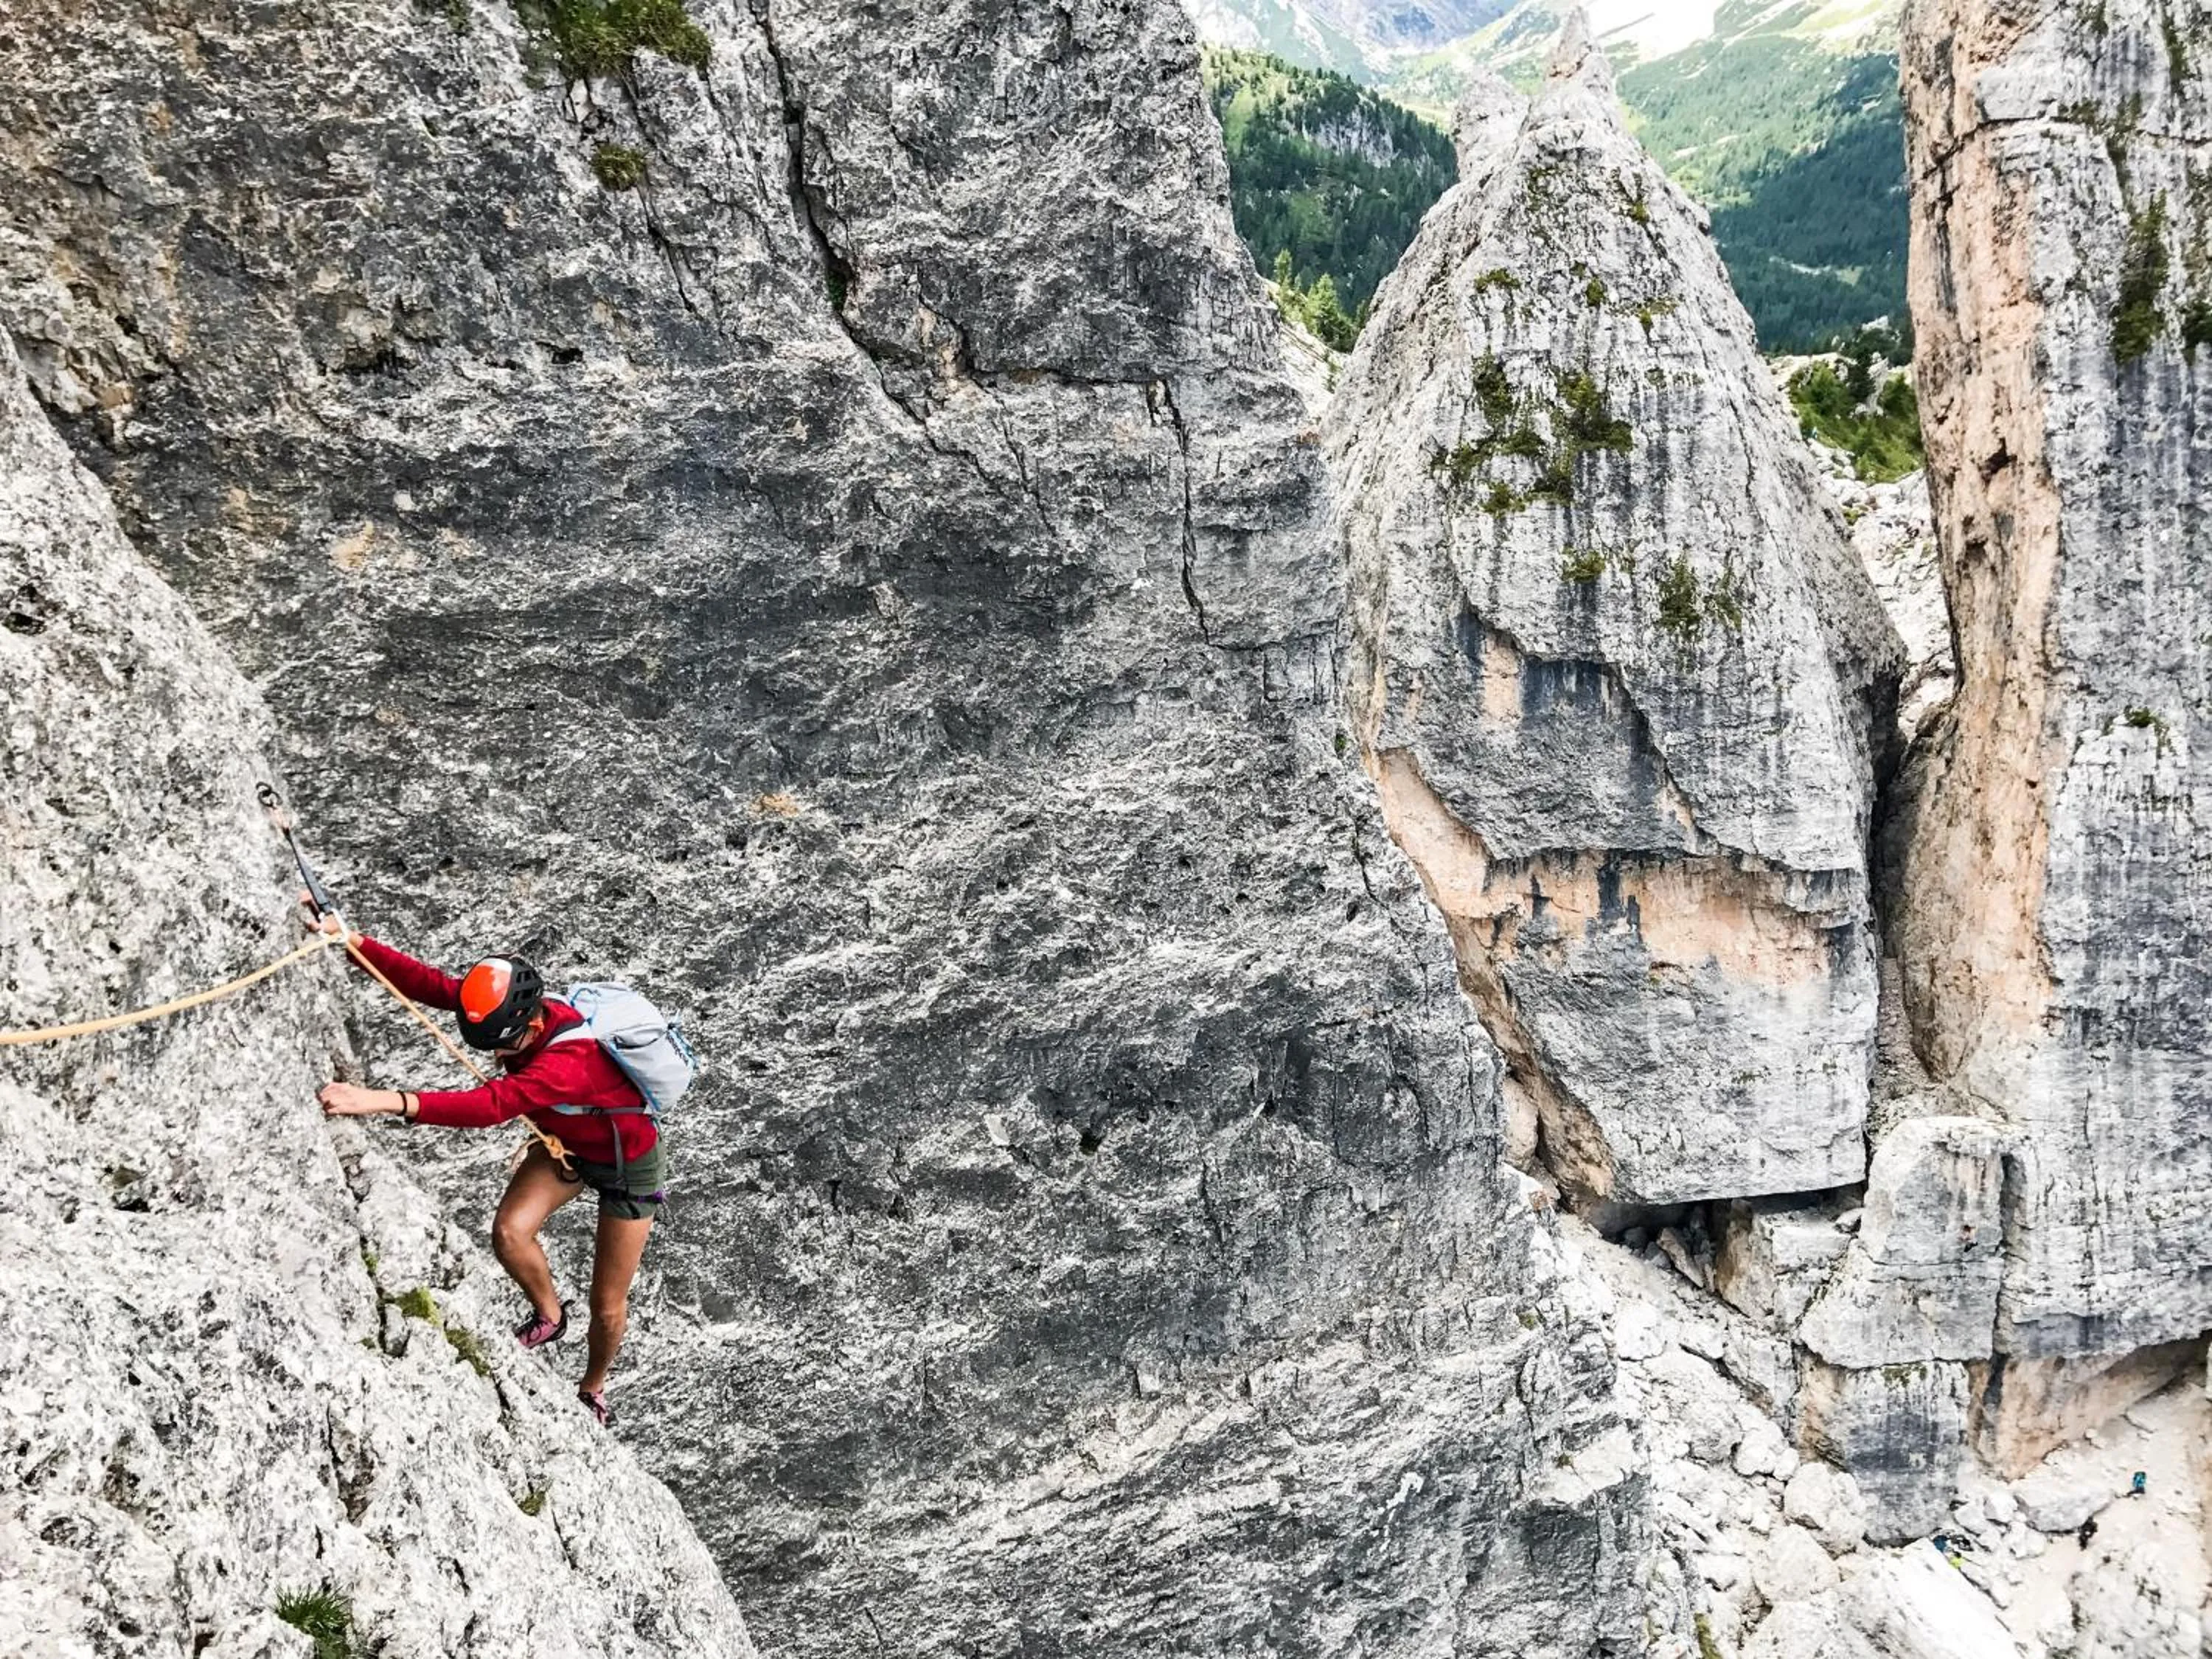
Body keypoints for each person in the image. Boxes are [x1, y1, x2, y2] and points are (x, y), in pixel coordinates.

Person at [308, 907, 664, 1427]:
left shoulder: (570, 1064)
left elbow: (491, 1107)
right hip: (567, 1142)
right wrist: (352, 941)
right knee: (510, 1233)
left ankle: (593, 1387)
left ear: (534, 1023)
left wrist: (380, 1100)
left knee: (607, 1304)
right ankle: (549, 1316)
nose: (496, 1052)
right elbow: (434, 986)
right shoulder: (510, 1012)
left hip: (627, 1167)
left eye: (504, 1044)